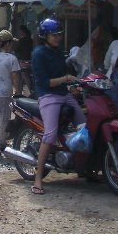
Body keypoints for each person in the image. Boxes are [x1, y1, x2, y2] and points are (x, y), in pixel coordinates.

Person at [31, 17, 87, 195]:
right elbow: (45, 82)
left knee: (84, 126)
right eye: (53, 35)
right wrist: (66, 79)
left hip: (64, 94)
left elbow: (64, 76)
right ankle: (38, 178)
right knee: (50, 134)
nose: (57, 38)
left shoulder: (57, 52)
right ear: (44, 36)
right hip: (48, 96)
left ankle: (85, 168)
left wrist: (74, 86)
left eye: (58, 35)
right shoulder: (38, 53)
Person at [13, 25, 34, 96]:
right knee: (23, 76)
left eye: (20, 31)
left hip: (23, 61)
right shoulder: (30, 40)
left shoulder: (21, 41)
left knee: (24, 76)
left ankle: (31, 92)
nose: (19, 32)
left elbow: (16, 49)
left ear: (22, 31)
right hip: (29, 60)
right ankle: (18, 92)